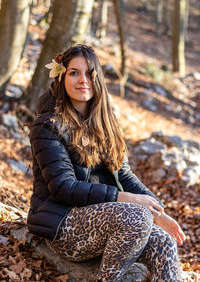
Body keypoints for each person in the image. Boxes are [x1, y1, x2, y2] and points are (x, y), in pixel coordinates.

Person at [27, 44, 185, 282]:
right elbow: (63, 187)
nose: (83, 80)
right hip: (64, 224)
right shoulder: (48, 125)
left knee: (164, 240)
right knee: (137, 217)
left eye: (90, 73)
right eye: (74, 73)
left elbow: (125, 176)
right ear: (61, 77)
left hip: (103, 221)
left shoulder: (104, 122)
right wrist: (129, 201)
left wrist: (158, 211)